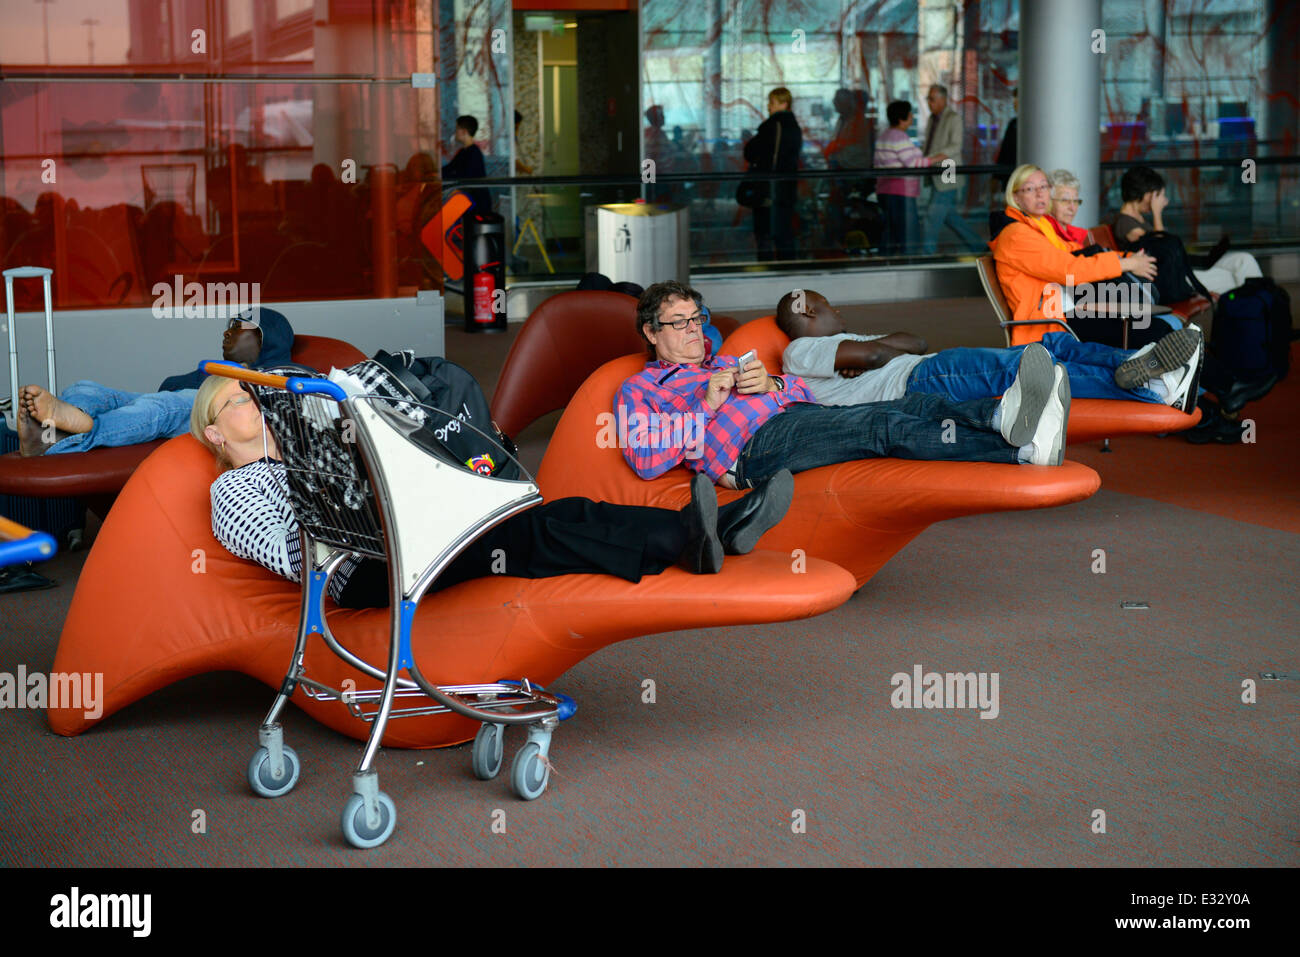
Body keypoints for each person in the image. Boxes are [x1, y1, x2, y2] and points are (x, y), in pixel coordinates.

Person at [193, 374, 794, 601]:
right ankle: (691, 534)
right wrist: (342, 506)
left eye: (251, 391)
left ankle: (704, 533)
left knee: (557, 512)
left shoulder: (314, 441)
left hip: (407, 534)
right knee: (529, 532)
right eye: (233, 400)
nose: (251, 400)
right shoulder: (233, 489)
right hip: (367, 569)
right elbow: (288, 554)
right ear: (215, 432)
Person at [616, 281, 1073, 492]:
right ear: (652, 333)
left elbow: (804, 393)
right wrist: (706, 405)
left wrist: (773, 382)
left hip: (795, 419)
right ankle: (1020, 443)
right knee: (879, 425)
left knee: (915, 403)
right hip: (749, 452)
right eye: (679, 323)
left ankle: (1008, 422)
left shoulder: (732, 361)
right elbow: (646, 459)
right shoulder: (640, 390)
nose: (693, 329)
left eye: (697, 318)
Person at [776, 289, 1203, 413]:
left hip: (926, 365)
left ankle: (1135, 366)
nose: (839, 308)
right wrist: (874, 353)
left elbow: (916, 341)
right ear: (809, 311)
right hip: (917, 381)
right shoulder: (801, 350)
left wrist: (874, 351)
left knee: (1051, 344)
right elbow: (876, 357)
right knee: (1026, 365)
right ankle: (1154, 388)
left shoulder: (840, 344)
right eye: (830, 305)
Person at [16, 307, 294, 456]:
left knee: (164, 406)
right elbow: (170, 383)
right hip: (186, 403)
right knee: (85, 388)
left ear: (265, 338)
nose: (226, 333)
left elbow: (172, 393)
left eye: (236, 328)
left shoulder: (280, 375)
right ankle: (53, 429)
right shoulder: (218, 368)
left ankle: (59, 442)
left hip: (213, 416)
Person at [989, 164, 1173, 350]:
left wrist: (1126, 257)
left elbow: (1074, 253)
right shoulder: (1017, 235)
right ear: (1016, 198)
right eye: (1029, 189)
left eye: (1044, 187)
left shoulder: (1038, 226)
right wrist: (1125, 263)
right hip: (1052, 323)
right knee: (1156, 331)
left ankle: (1180, 372)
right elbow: (1069, 269)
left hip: (1069, 309)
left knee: (1157, 329)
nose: (1039, 194)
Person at [1113, 165, 1261, 295]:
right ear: (1146, 194)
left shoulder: (1139, 218)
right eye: (1158, 195)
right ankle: (1261, 313)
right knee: (1237, 278)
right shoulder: (1125, 223)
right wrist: (1157, 212)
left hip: (1181, 270)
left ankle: (1263, 309)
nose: (1162, 201)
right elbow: (1159, 249)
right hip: (1174, 279)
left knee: (1245, 260)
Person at [920, 85, 985, 255]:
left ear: (943, 100)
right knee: (948, 215)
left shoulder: (953, 118)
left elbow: (955, 146)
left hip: (948, 168)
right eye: (928, 98)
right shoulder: (932, 119)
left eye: (932, 99)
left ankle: (927, 254)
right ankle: (979, 246)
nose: (929, 102)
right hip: (934, 170)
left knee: (933, 216)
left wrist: (932, 158)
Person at [743, 87, 802, 261]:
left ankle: (766, 269)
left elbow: (750, 152)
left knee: (764, 234)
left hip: (767, 189)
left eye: (772, 102)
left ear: (784, 103)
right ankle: (788, 271)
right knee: (784, 232)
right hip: (786, 189)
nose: (768, 107)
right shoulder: (795, 128)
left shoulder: (772, 126)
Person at [874, 100, 937, 255]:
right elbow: (913, 163)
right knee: (907, 234)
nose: (912, 117)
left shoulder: (885, 135)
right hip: (900, 192)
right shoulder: (899, 137)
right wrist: (936, 159)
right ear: (902, 118)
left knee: (890, 231)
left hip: (885, 190)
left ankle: (886, 264)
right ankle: (908, 266)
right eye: (910, 114)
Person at [441, 114, 490, 214]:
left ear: (464, 131)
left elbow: (464, 176)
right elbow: (449, 169)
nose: (455, 132)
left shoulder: (474, 153)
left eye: (457, 129)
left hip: (476, 204)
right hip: (468, 199)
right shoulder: (464, 152)